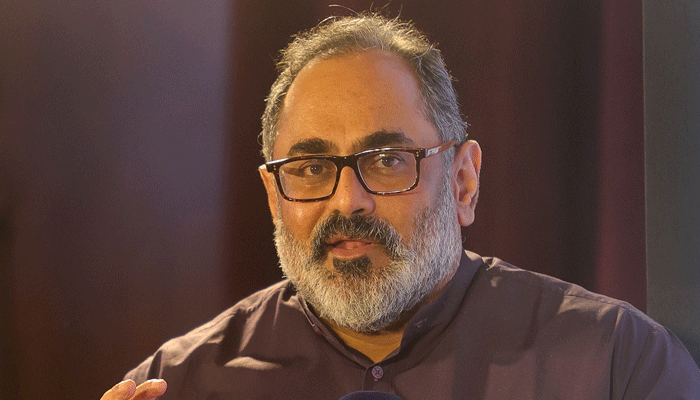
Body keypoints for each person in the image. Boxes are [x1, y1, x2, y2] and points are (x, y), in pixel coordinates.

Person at [101, 13, 700, 400]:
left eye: (387, 160)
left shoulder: (616, 364)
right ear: (273, 198)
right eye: (310, 169)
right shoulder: (180, 383)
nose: (348, 201)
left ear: (463, 182)